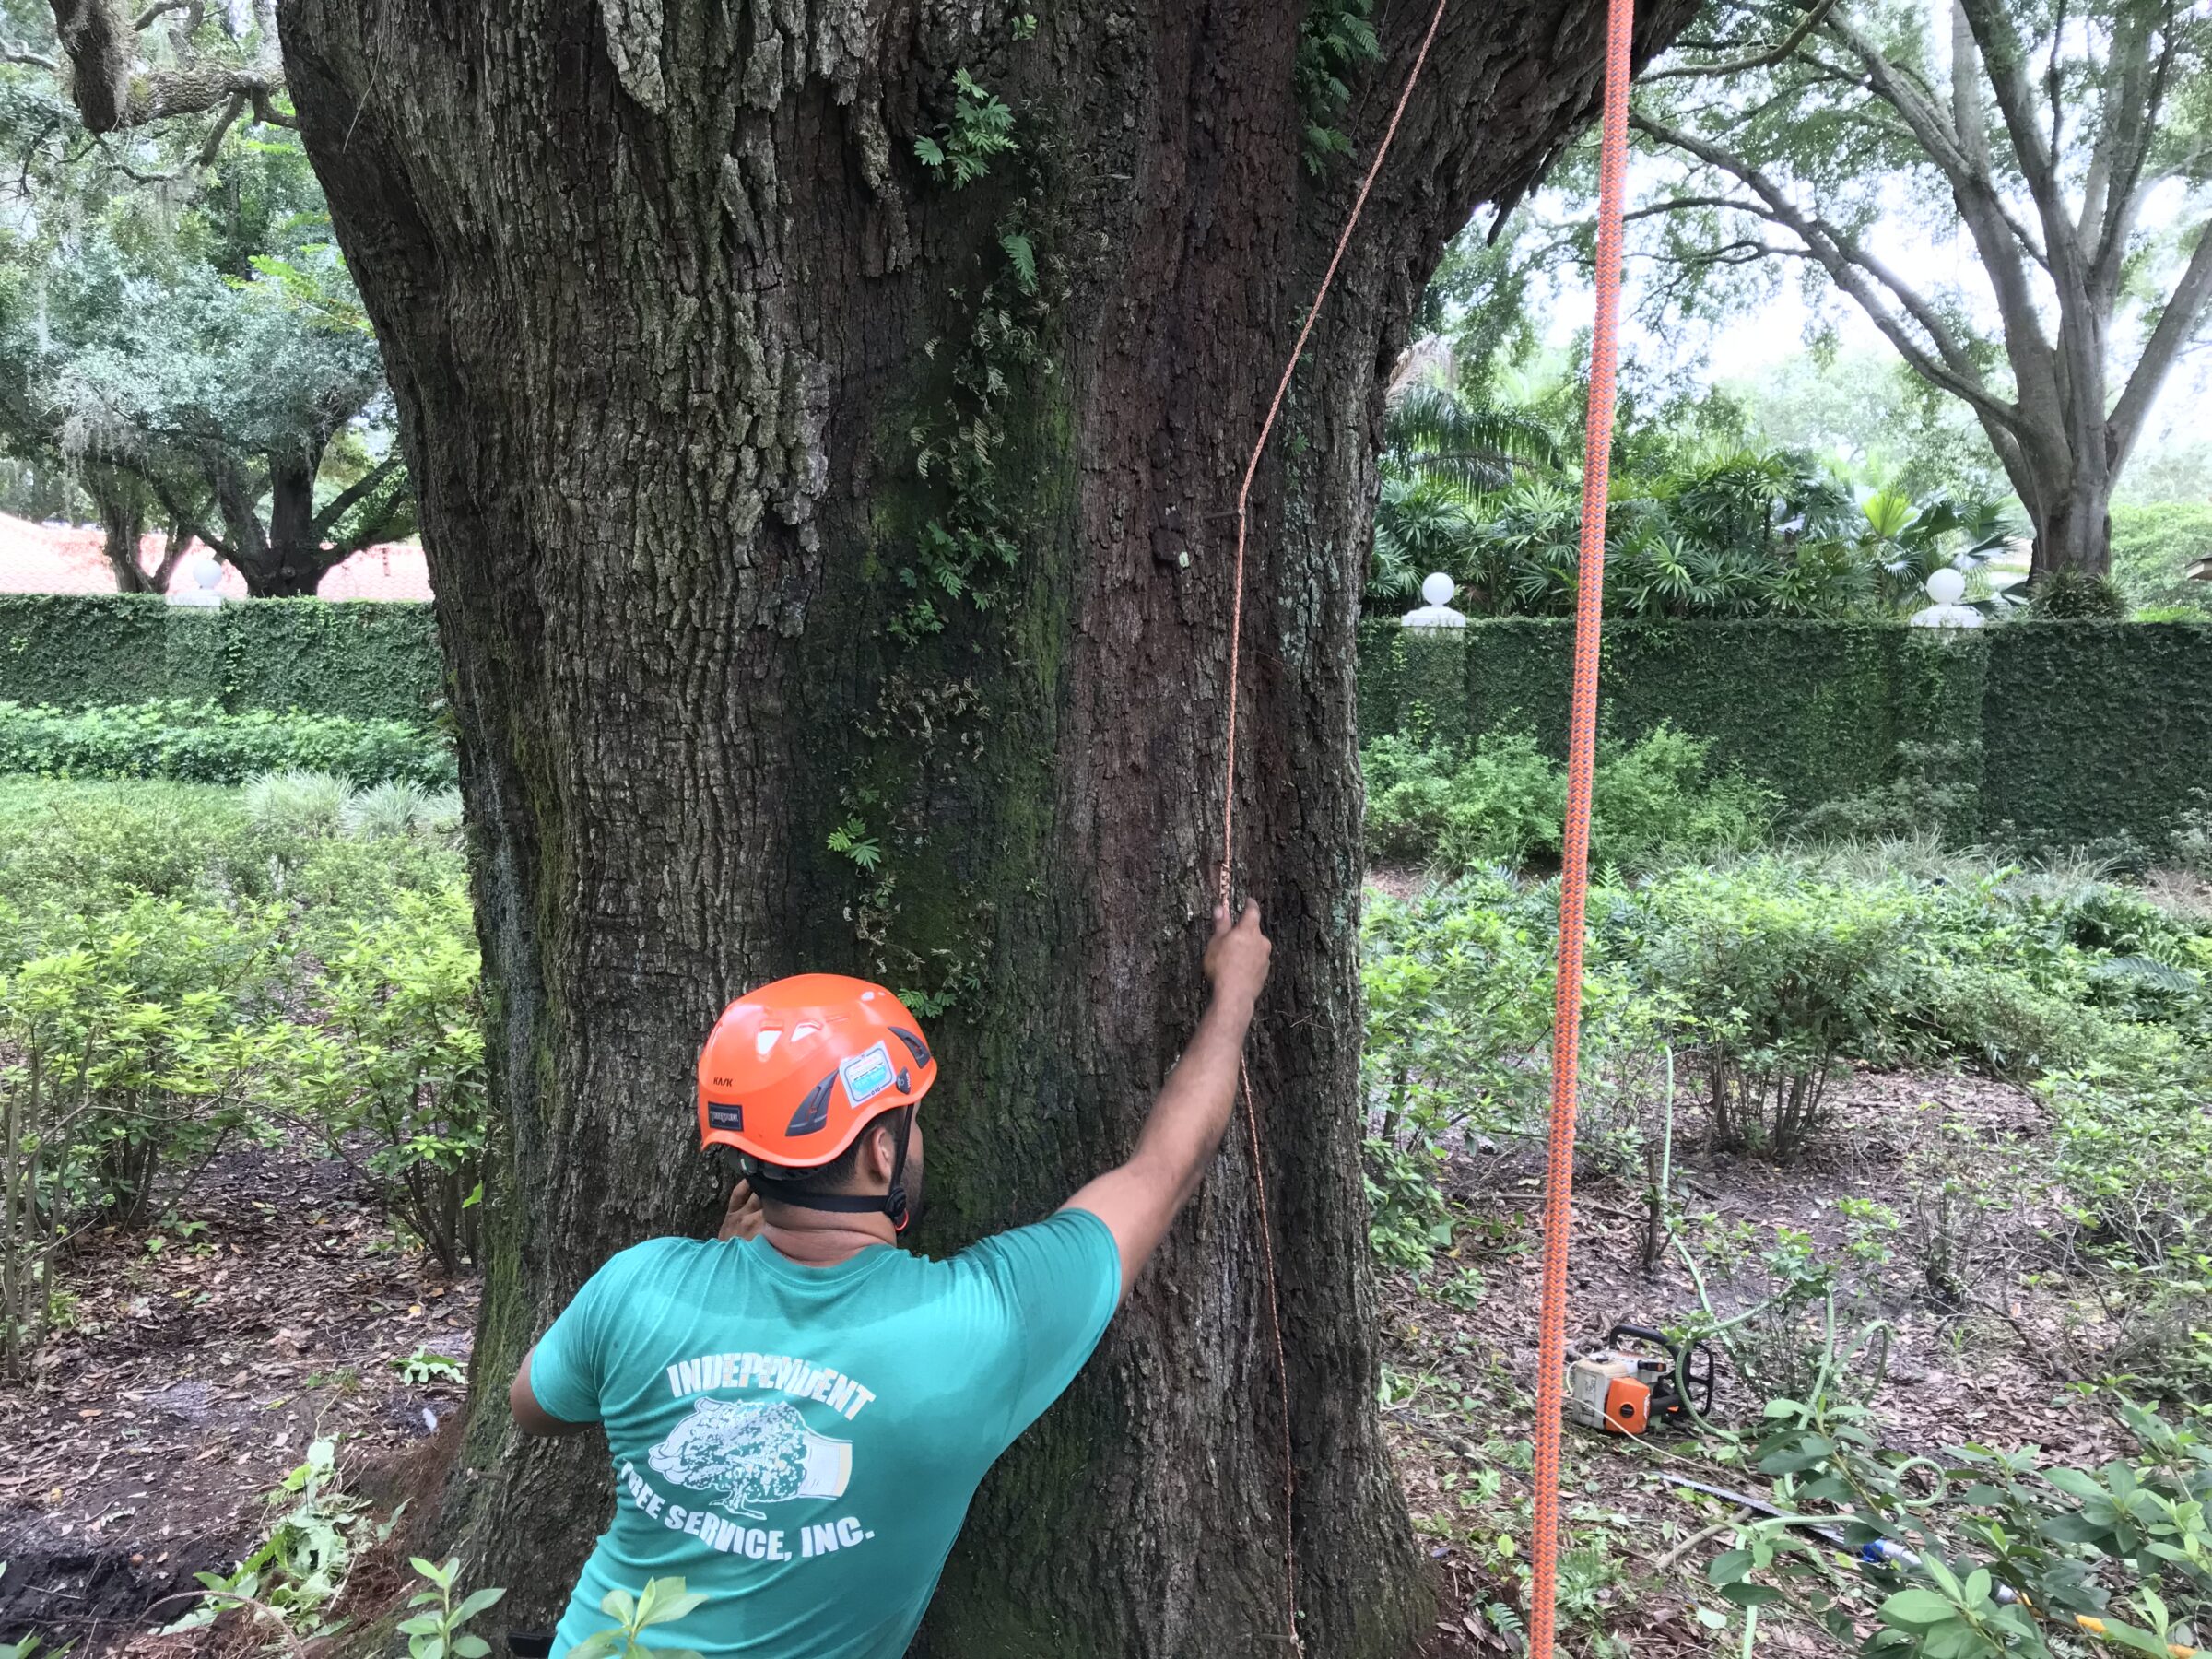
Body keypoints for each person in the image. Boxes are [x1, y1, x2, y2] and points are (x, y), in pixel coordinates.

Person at [508, 900, 1274, 1659]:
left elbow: (535, 1408)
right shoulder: (983, 1328)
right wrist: (1233, 996)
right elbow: (1165, 1170)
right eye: (912, 1116)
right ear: (881, 1150)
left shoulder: (638, 1286)